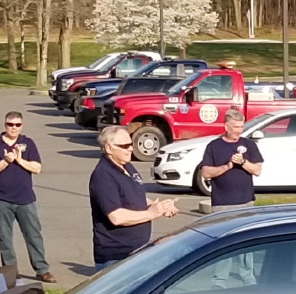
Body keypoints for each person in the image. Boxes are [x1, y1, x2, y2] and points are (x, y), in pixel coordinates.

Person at [89, 125, 178, 272]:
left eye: (130, 144)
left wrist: (160, 207)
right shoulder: (103, 175)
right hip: (117, 257)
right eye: (124, 146)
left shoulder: (127, 167)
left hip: (138, 252)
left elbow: (135, 198)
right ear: (109, 148)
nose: (130, 148)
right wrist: (152, 213)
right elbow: (116, 217)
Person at [0, 111, 55, 283]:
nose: (13, 128)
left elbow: (37, 168)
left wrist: (19, 160)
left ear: (22, 126)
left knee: (33, 235)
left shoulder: (27, 143)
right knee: (5, 237)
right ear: (5, 125)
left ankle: (42, 269)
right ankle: (10, 271)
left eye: (17, 125)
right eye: (10, 124)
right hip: (1, 199)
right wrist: (6, 161)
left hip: (25, 198)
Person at [200, 109, 264, 212]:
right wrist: (227, 166)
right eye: (236, 127)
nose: (239, 130)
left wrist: (243, 162)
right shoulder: (213, 146)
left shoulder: (250, 145)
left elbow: (257, 170)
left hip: (246, 203)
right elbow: (205, 173)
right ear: (226, 126)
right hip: (222, 204)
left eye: (241, 126)